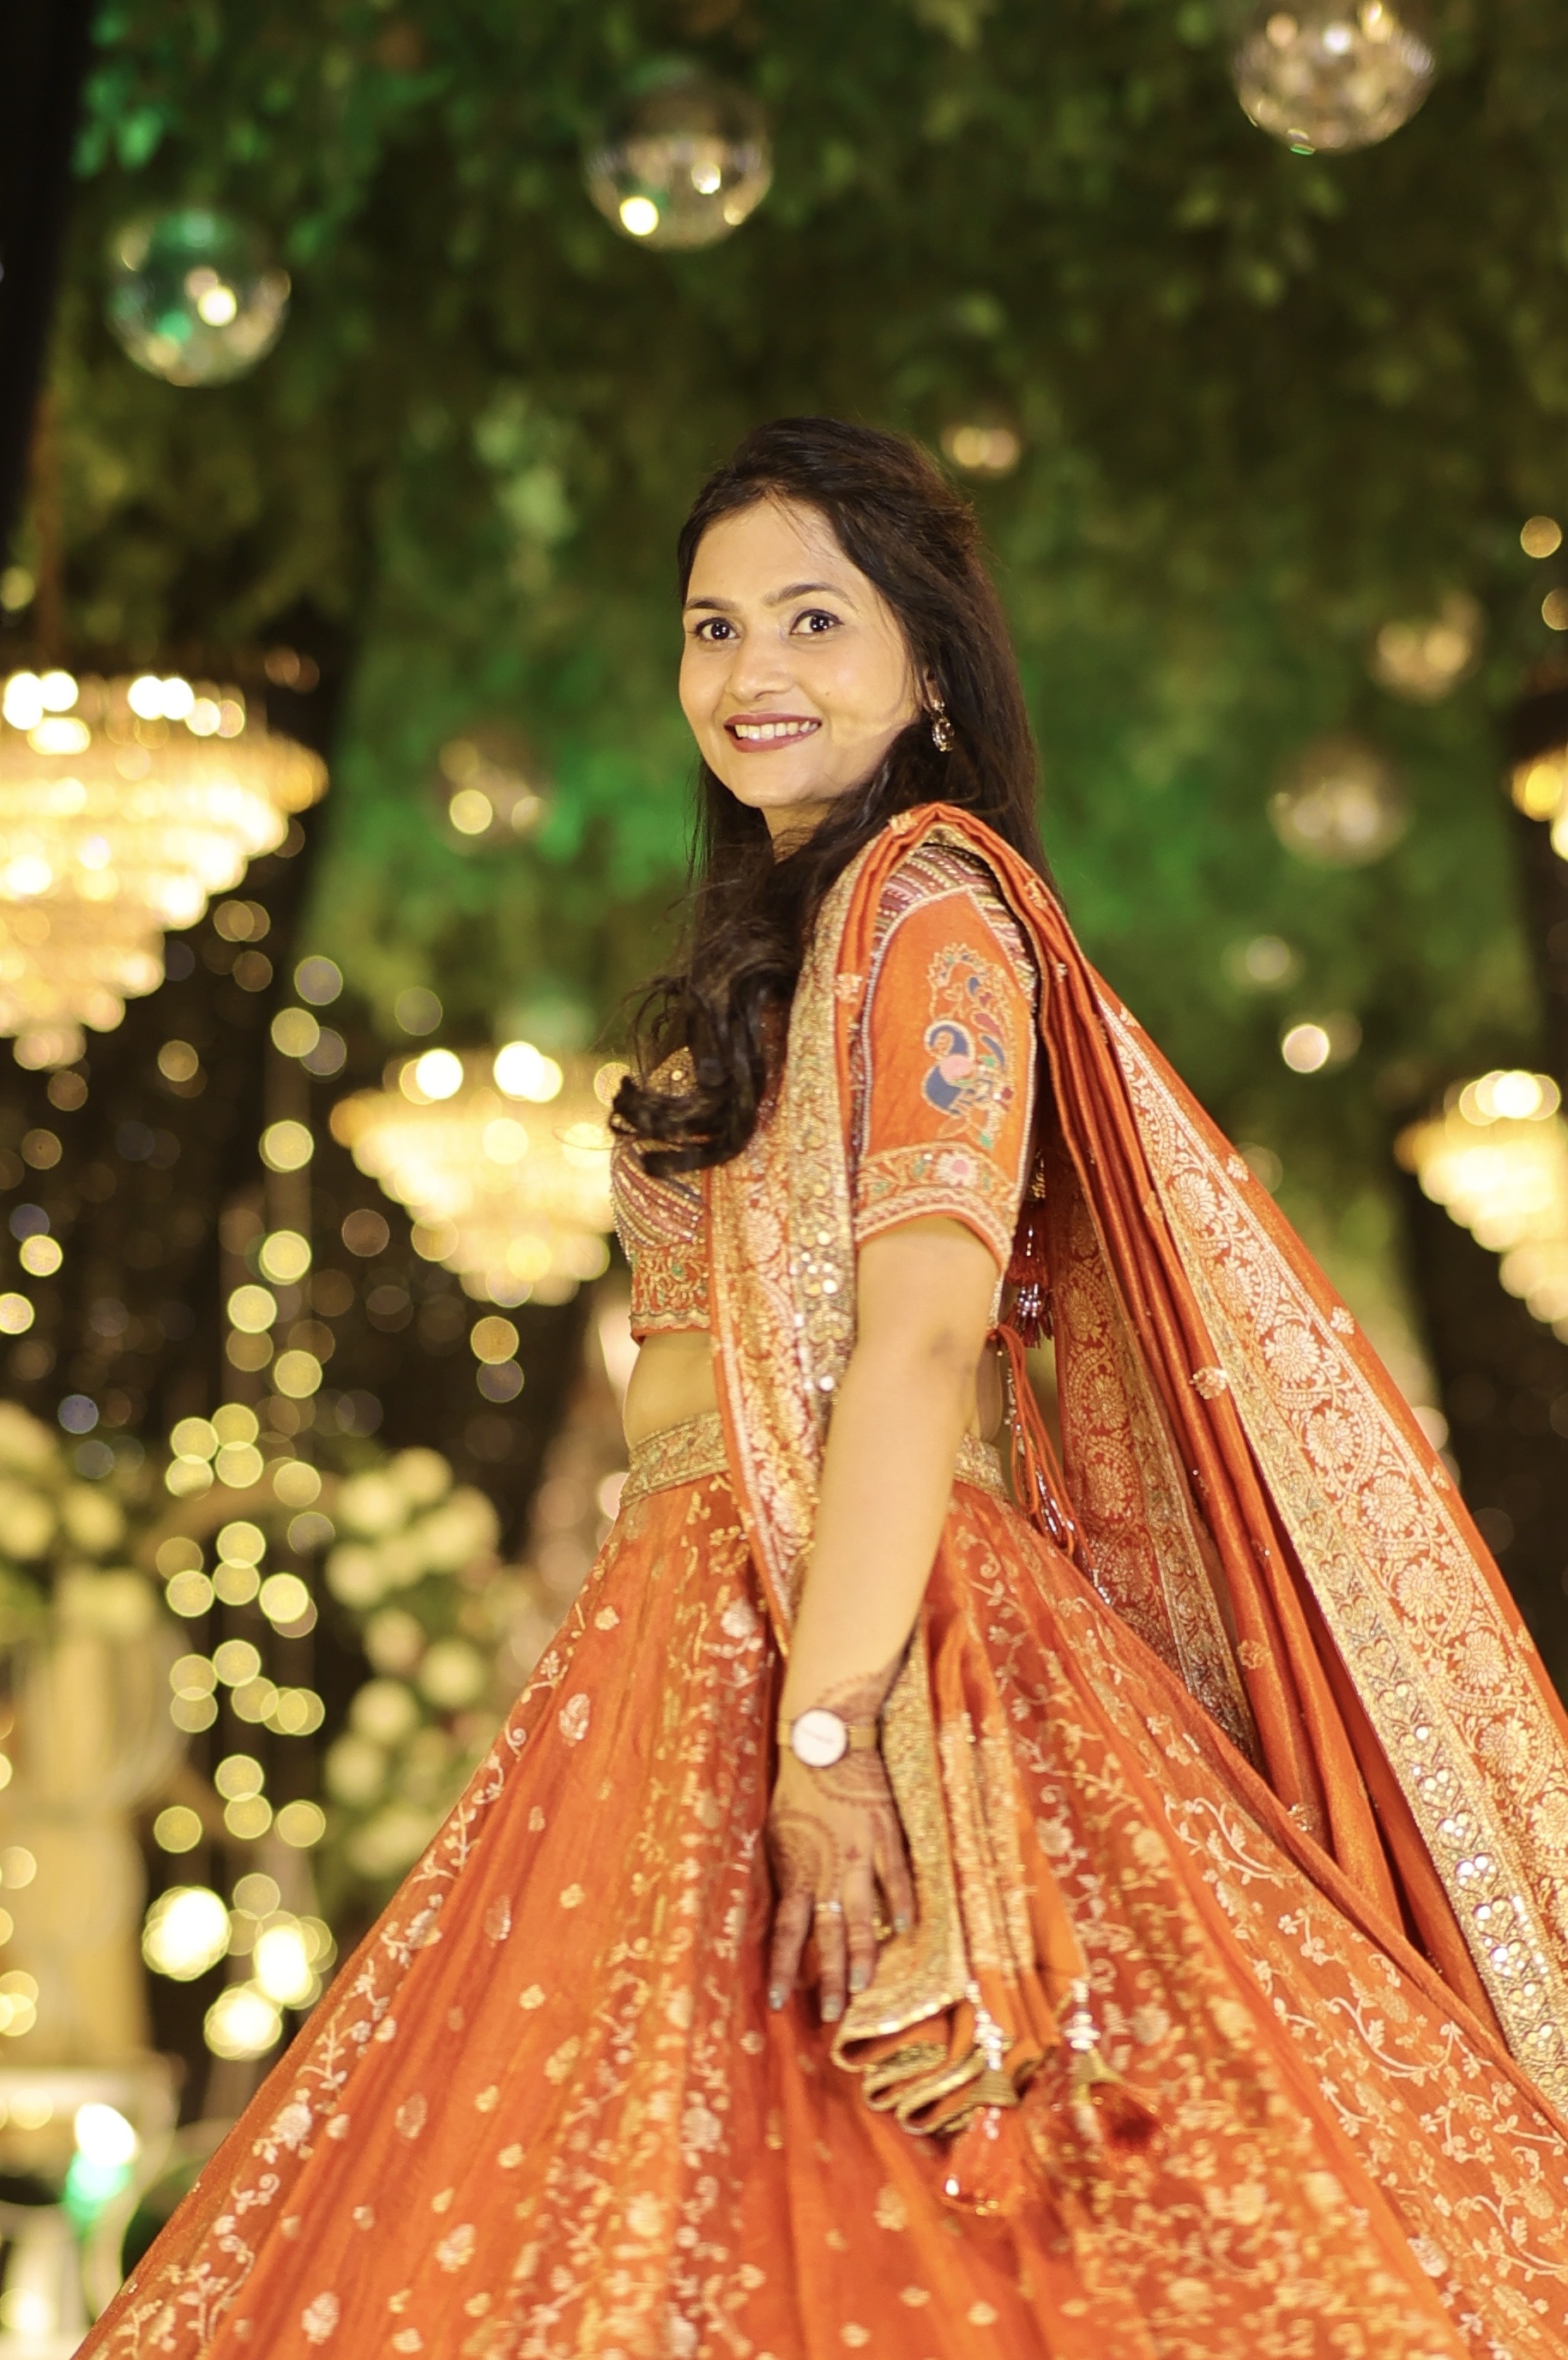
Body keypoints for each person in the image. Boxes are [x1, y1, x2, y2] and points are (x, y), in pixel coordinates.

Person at [83, 419, 1568, 2359]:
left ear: (927, 666)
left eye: (809, 618)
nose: (748, 672)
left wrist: (829, 1730)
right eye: (711, 626)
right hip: (693, 1606)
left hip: (861, 1633)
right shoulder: (784, 936)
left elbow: (924, 1333)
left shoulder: (929, 913)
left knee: (941, 2188)